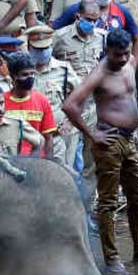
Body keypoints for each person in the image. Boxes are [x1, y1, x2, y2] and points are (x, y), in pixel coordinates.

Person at [63, 29, 138, 271]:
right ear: (108, 51)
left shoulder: (130, 62)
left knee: (137, 195)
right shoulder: (100, 73)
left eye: (126, 53)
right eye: (118, 55)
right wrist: (91, 133)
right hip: (109, 140)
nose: (123, 58)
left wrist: (133, 46)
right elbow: (70, 105)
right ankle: (112, 257)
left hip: (129, 140)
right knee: (108, 201)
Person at [26, 24, 82, 167]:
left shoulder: (63, 70)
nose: (43, 52)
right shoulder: (23, 71)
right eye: (38, 49)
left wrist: (71, 121)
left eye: (46, 48)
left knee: (64, 173)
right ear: (29, 47)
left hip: (59, 135)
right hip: (31, 136)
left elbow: (81, 96)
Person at [1, 51, 59, 157]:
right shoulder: (1, 102)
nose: (30, 78)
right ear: (13, 77)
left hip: (36, 160)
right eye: (25, 75)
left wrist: (48, 163)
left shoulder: (42, 101)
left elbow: (48, 138)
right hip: (9, 158)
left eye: (32, 73)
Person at [0, 80, 44, 154]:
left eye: (2, 103)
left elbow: (40, 141)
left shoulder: (16, 123)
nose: (0, 109)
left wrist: (30, 161)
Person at [52, 0, 106, 76]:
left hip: (94, 83)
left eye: (95, 20)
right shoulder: (60, 36)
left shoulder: (102, 37)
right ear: (78, 17)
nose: (92, 24)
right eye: (88, 19)